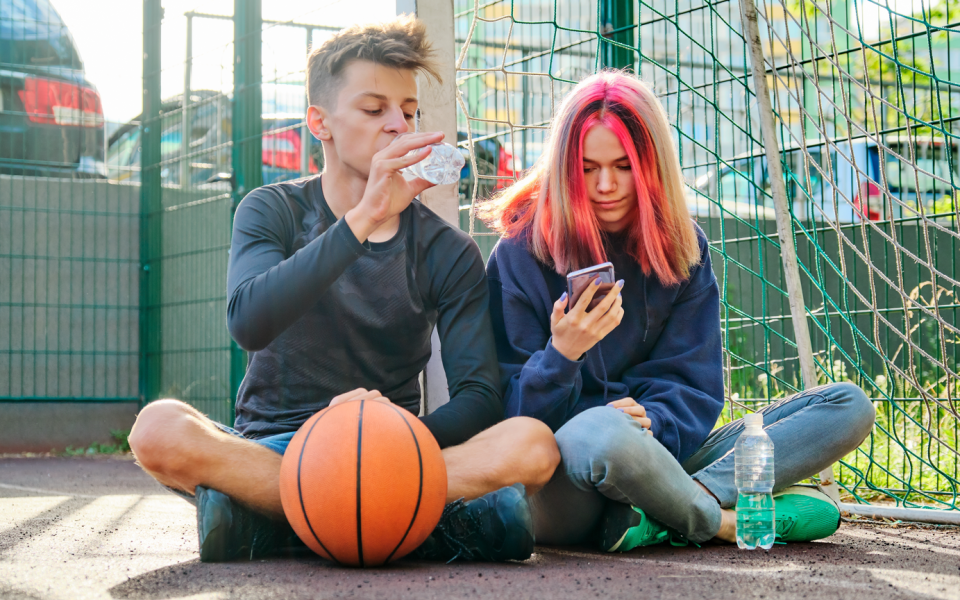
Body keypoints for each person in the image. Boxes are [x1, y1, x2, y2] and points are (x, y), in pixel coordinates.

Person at [127, 16, 560, 563]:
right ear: (320, 122)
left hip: (402, 450)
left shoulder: (449, 250)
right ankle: (422, 523)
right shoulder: (272, 209)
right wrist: (364, 218)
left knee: (533, 443)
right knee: (158, 429)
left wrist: (389, 436)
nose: (398, 126)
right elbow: (248, 322)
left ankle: (274, 524)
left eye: (409, 111)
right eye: (375, 109)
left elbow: (480, 396)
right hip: (277, 446)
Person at [480, 70, 876, 550]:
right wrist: (562, 356)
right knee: (603, 432)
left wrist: (653, 418)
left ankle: (665, 513)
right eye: (586, 168)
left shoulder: (684, 247)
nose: (605, 184)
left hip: (660, 456)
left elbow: (695, 384)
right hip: (567, 479)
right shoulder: (520, 253)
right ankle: (717, 520)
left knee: (846, 406)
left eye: (623, 165)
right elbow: (508, 417)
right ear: (564, 168)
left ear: (651, 165)